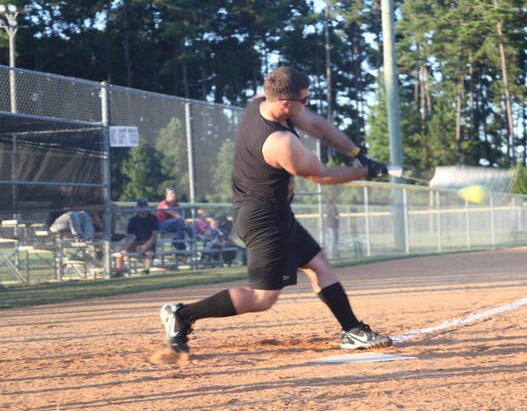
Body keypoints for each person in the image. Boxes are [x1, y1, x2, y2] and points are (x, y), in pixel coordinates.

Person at [159, 66, 392, 357]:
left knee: (319, 265)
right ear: (285, 103)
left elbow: (316, 126)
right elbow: (320, 174)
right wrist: (363, 174)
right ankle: (181, 315)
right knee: (262, 298)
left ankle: (352, 330)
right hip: (264, 219)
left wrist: (357, 154)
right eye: (303, 101)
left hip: (274, 212)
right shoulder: (280, 143)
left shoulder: (261, 101)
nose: (306, 105)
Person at [114, 199, 159, 276]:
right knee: (120, 253)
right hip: (137, 242)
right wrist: (124, 248)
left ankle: (146, 271)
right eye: (140, 207)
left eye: (144, 207)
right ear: (137, 208)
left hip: (149, 243)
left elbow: (154, 236)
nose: (142, 209)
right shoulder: (133, 220)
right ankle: (119, 272)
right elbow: (129, 237)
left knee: (149, 253)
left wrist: (144, 247)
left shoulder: (153, 218)